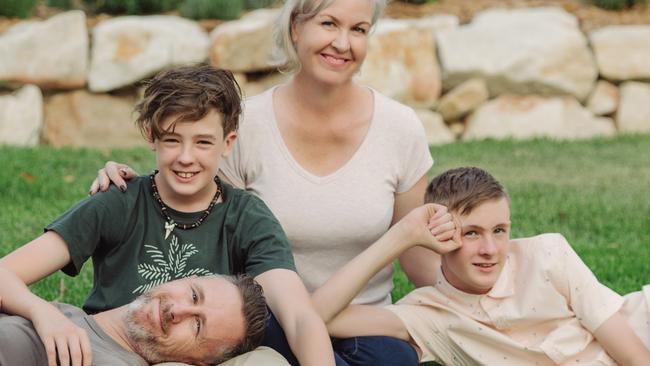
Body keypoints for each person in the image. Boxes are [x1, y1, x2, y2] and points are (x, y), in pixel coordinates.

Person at [91, 1, 438, 364]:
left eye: (358, 29)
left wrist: (473, 303)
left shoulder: (400, 128)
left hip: (361, 322)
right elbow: (193, 210)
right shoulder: (245, 126)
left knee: (397, 357)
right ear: (294, 28)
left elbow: (417, 258)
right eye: (329, 23)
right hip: (265, 325)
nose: (342, 43)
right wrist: (132, 184)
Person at [0, 64, 334, 366]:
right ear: (151, 135)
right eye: (173, 140)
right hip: (109, 346)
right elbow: (6, 273)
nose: (186, 158)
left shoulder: (246, 217)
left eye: (203, 142)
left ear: (228, 142)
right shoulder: (120, 200)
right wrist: (44, 313)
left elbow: (299, 317)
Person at [312, 166, 650, 365]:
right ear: (438, 236)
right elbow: (316, 317)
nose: (490, 250)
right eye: (471, 233)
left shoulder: (547, 255)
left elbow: (631, 350)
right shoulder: (429, 314)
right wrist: (401, 235)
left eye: (499, 231)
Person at [0, 273, 277, 366]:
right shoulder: (68, 316)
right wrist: (40, 310)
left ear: (198, 362)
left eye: (197, 326)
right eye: (193, 295)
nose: (177, 312)